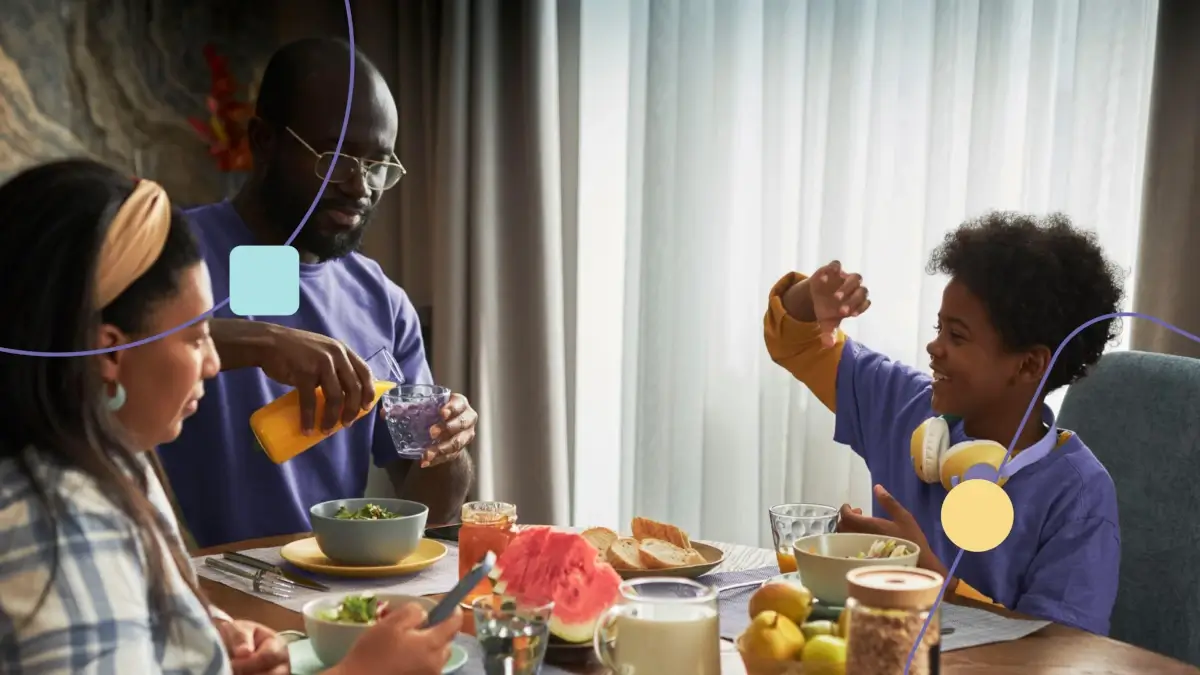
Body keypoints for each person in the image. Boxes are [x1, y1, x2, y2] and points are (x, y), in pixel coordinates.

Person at [0, 159, 463, 674]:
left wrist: (207, 644)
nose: (216, 361)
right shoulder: (62, 533)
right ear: (108, 353)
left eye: (378, 163)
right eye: (199, 336)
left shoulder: (115, 470)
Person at [156, 37, 478, 548]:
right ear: (264, 141)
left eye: (378, 164)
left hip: (325, 600)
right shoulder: (166, 252)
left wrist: (449, 445)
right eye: (335, 157)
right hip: (185, 589)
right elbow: (92, 358)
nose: (361, 185)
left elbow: (432, 510)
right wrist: (263, 343)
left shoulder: (383, 304)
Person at [764, 211, 1123, 636]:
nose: (934, 347)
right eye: (939, 328)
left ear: (1029, 364)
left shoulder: (1079, 496)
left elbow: (1062, 650)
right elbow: (795, 339)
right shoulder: (906, 404)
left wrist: (926, 577)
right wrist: (812, 298)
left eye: (957, 336)